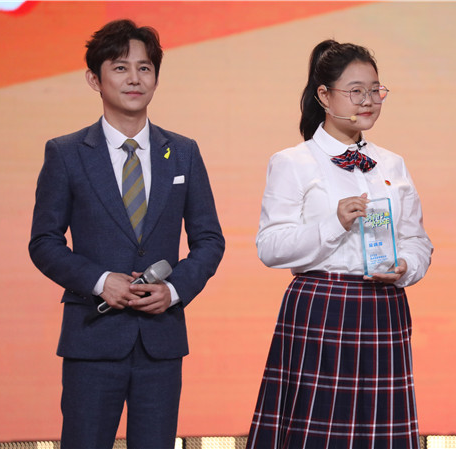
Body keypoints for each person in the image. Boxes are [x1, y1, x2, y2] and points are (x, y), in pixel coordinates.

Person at [28, 19, 225, 448]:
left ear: (156, 78)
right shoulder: (66, 153)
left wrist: (174, 290)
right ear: (93, 79)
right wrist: (101, 281)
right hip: (92, 336)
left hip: (161, 340)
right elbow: (44, 242)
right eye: (120, 67)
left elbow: (209, 239)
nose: (134, 78)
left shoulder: (183, 152)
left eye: (144, 68)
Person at [245, 39, 433, 449]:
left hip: (384, 309)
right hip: (321, 308)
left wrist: (406, 267)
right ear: (324, 95)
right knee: (316, 433)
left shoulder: (392, 163)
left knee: (380, 432)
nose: (368, 101)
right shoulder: (293, 161)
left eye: (375, 90)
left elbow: (418, 241)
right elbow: (270, 246)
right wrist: (333, 223)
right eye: (355, 91)